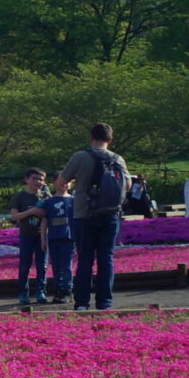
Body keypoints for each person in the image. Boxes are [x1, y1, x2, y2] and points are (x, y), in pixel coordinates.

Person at [59, 123, 131, 312]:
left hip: (85, 214)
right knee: (106, 258)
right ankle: (104, 302)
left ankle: (82, 302)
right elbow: (128, 185)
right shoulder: (118, 159)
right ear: (110, 139)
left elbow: (61, 181)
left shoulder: (81, 156)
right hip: (111, 214)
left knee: (85, 258)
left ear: (91, 137)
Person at [9, 169, 53, 310]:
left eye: (41, 179)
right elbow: (14, 216)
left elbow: (49, 215)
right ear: (26, 179)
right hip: (26, 235)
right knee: (24, 265)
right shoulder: (20, 196)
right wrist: (32, 211)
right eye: (34, 178)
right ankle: (23, 293)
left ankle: (41, 291)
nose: (37, 182)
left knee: (42, 265)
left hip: (42, 235)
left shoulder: (46, 196)